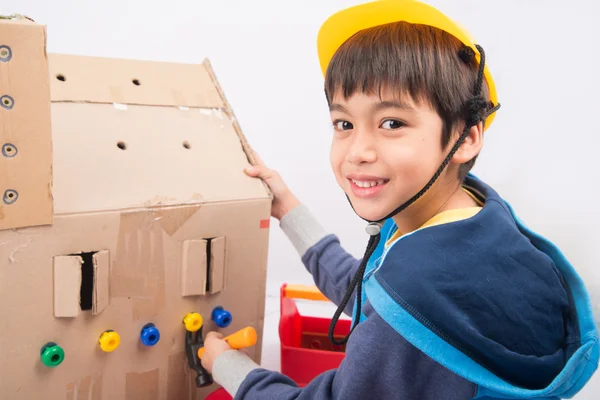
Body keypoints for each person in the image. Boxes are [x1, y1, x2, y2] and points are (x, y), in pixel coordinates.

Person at [200, 0, 599, 399]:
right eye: (344, 123)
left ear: (467, 136)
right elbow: (369, 290)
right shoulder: (471, 219)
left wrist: (228, 367)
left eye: (392, 123)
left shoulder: (415, 301)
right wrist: (288, 209)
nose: (357, 151)